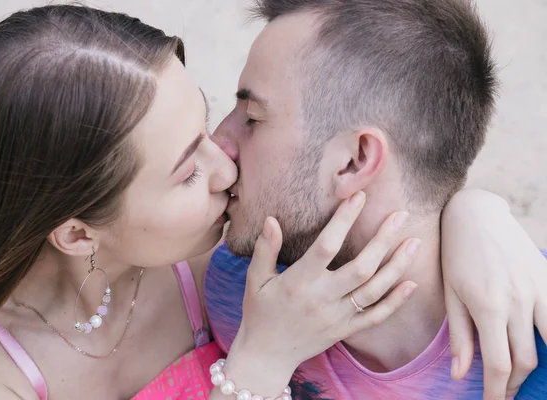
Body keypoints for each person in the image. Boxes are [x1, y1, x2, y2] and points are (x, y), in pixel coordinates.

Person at [0, 4, 544, 400]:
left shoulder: (223, 259)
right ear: (77, 235)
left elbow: (402, 164)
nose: (225, 159)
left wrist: (476, 211)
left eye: (240, 118)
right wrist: (258, 363)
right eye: (185, 173)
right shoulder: (235, 276)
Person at [205, 0, 547, 399]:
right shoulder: (236, 290)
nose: (218, 143)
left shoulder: (532, 334)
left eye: (253, 118)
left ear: (355, 160)